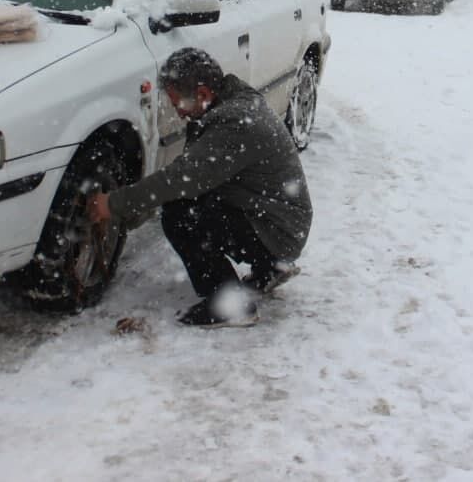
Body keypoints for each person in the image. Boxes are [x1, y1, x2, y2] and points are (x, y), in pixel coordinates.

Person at [88, 47, 312, 328]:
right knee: (197, 200)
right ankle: (269, 269)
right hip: (283, 222)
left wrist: (112, 204)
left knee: (181, 213)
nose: (179, 113)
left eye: (178, 103)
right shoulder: (232, 103)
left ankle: (231, 305)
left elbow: (179, 180)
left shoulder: (233, 125)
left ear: (204, 94)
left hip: (279, 230)